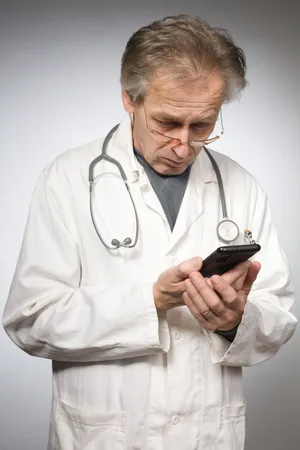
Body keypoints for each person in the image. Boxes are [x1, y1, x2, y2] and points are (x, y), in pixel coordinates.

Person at [2, 14, 297, 450]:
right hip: (103, 437)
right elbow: (30, 320)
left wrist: (236, 321)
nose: (183, 144)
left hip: (207, 435)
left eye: (202, 126)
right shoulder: (66, 179)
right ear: (129, 97)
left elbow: (279, 315)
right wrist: (151, 302)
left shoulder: (241, 185)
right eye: (167, 122)